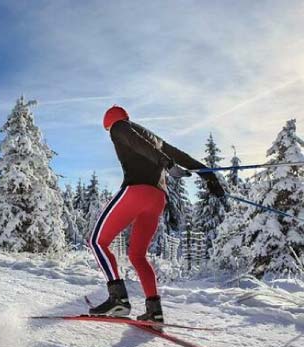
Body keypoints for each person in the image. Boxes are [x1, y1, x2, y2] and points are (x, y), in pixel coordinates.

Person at [88, 105, 225, 323]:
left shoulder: (119, 127)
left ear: (109, 122)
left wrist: (167, 164)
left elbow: (135, 142)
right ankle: (154, 310)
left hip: (136, 191)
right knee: (137, 255)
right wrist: (210, 178)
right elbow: (184, 157)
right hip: (157, 199)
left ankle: (118, 299)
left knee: (97, 241)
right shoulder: (154, 138)